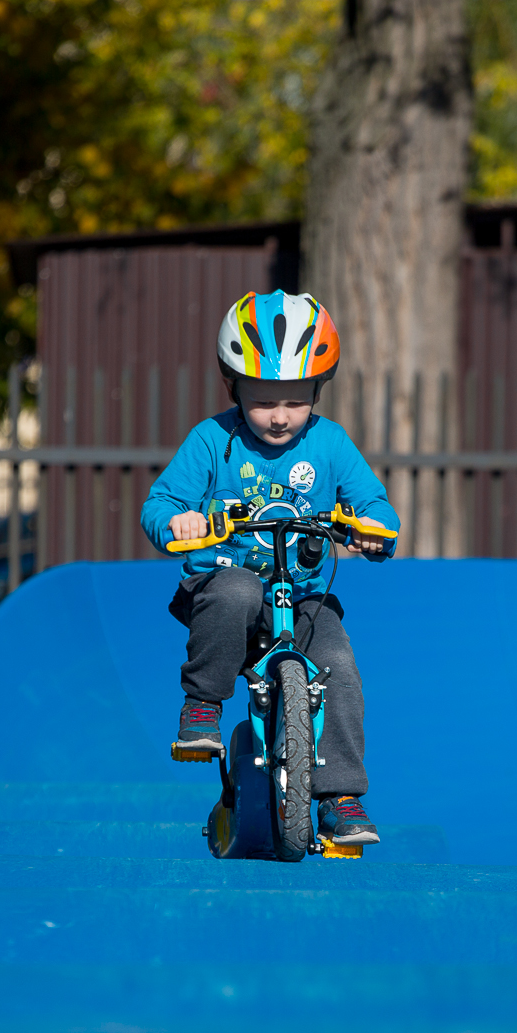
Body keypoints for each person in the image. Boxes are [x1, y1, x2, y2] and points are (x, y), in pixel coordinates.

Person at [138, 290, 400, 846]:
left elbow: (377, 508)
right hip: (226, 585)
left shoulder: (329, 444)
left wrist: (371, 532)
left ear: (317, 390)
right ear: (234, 388)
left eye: (295, 400)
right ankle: (203, 709)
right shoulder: (212, 441)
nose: (279, 416)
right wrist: (178, 524)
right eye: (261, 400)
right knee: (235, 591)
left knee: (337, 662)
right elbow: (158, 505)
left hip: (303, 595)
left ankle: (341, 799)